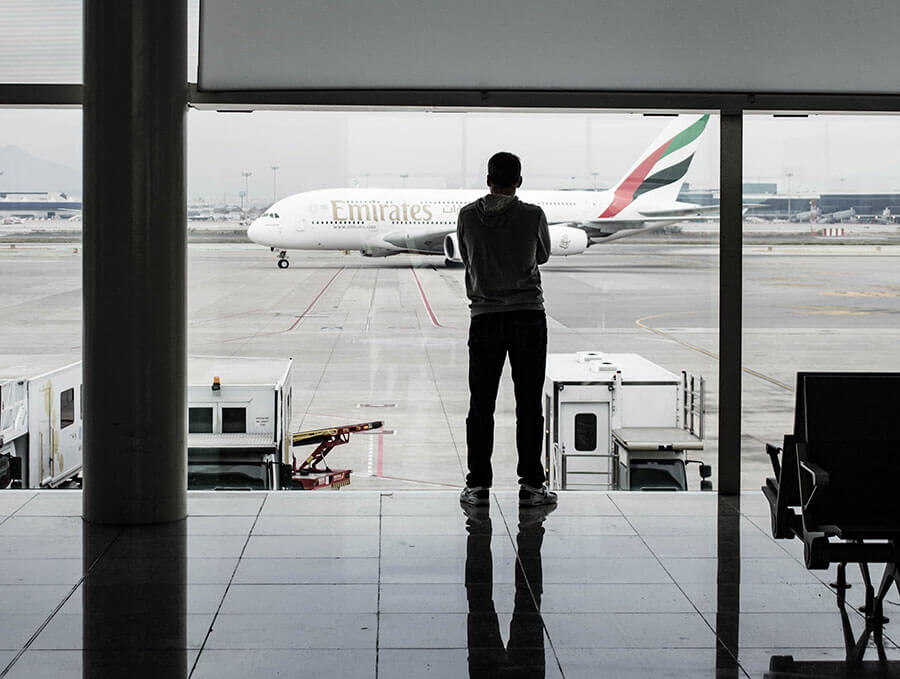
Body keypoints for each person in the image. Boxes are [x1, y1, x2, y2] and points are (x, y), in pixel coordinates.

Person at [457, 151, 557, 507]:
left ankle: (477, 485)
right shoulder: (532, 215)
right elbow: (542, 255)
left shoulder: (467, 215)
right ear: (519, 180)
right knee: (528, 406)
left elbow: (468, 256)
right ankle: (531, 485)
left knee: (480, 405)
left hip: (484, 317)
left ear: (488, 179)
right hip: (528, 316)